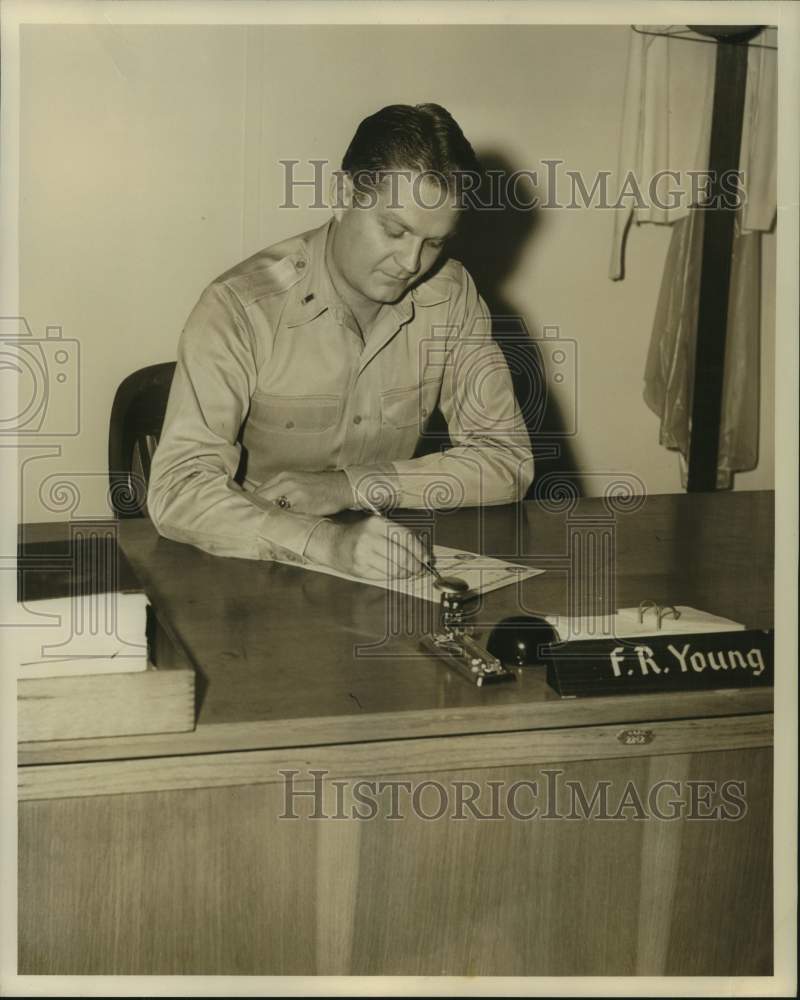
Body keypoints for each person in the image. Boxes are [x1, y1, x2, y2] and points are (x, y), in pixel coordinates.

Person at [147, 103, 533, 580]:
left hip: (384, 560)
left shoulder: (451, 298)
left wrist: (349, 487)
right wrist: (323, 540)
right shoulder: (240, 307)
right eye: (394, 230)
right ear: (342, 194)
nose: (411, 262)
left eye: (435, 243)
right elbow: (178, 490)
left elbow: (505, 460)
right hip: (251, 565)